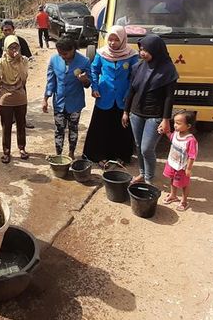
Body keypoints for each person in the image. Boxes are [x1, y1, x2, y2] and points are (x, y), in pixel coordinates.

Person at [123, 34, 179, 185]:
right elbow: (131, 90)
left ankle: (149, 179)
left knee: (147, 148)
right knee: (138, 146)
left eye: (146, 50)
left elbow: (169, 97)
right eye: (141, 49)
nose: (142, 53)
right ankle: (142, 173)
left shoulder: (168, 70)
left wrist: (166, 120)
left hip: (155, 115)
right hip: (136, 113)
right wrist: (126, 111)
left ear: (156, 50)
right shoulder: (138, 67)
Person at [82, 25, 139, 164]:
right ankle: (99, 156)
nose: (112, 43)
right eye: (110, 40)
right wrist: (94, 87)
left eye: (116, 40)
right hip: (104, 95)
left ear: (123, 40)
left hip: (122, 97)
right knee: (101, 127)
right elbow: (94, 70)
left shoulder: (132, 55)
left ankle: (121, 156)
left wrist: (128, 93)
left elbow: (135, 76)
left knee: (121, 128)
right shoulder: (101, 53)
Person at [43, 37, 91, 159]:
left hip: (75, 102)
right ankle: (58, 154)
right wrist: (46, 98)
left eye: (65, 54)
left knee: (73, 129)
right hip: (59, 102)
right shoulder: (54, 60)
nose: (63, 56)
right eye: (60, 54)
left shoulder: (84, 61)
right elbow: (51, 81)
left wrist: (85, 81)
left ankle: (71, 153)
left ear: (73, 49)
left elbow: (88, 84)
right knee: (59, 129)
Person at [0, 35, 30, 163]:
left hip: (20, 96)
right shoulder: (0, 63)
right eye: (11, 47)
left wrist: (19, 61)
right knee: (6, 126)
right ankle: (6, 151)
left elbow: (24, 79)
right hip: (6, 97)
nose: (14, 49)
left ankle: (22, 148)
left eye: (16, 46)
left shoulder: (24, 60)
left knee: (21, 124)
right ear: (6, 48)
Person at [162, 110, 198, 211]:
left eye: (178, 123)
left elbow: (192, 156)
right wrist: (166, 132)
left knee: (184, 184)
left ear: (188, 126)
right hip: (172, 163)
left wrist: (188, 169)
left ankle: (184, 201)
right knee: (172, 179)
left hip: (182, 168)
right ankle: (173, 195)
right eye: (174, 122)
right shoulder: (176, 133)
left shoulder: (191, 140)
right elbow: (171, 137)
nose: (175, 125)